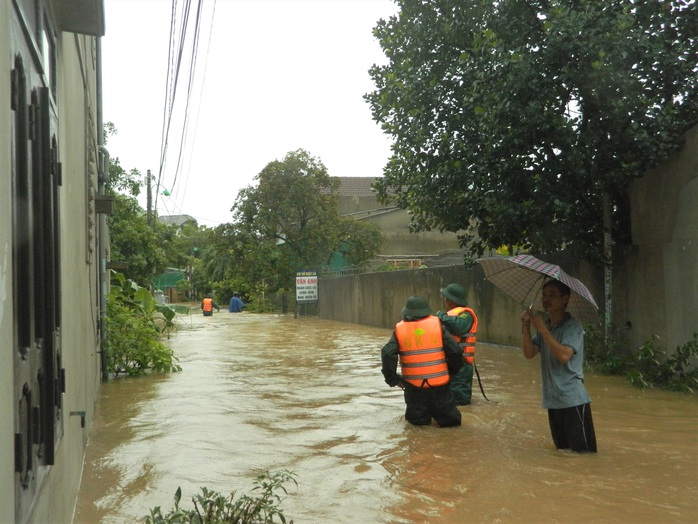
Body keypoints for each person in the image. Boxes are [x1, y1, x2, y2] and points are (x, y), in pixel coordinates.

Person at [521, 279, 597, 453]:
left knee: (584, 455)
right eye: (544, 295)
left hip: (572, 400)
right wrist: (525, 328)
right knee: (562, 454)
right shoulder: (546, 325)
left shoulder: (573, 326)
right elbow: (529, 353)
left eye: (552, 295)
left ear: (565, 299)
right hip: (553, 400)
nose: (546, 299)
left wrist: (543, 330)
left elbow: (564, 355)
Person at [381, 295, 464, 427]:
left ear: (406, 313)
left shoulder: (400, 330)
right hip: (440, 386)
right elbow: (456, 351)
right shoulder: (437, 325)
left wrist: (393, 379)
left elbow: (387, 353)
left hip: (414, 389)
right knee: (451, 425)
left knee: (418, 428)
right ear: (426, 311)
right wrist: (451, 372)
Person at [435, 283, 478, 405]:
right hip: (449, 361)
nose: (444, 301)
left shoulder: (466, 315)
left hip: (462, 364)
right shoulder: (449, 316)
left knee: (460, 400)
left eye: (445, 298)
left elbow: (459, 327)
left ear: (450, 301)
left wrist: (440, 315)